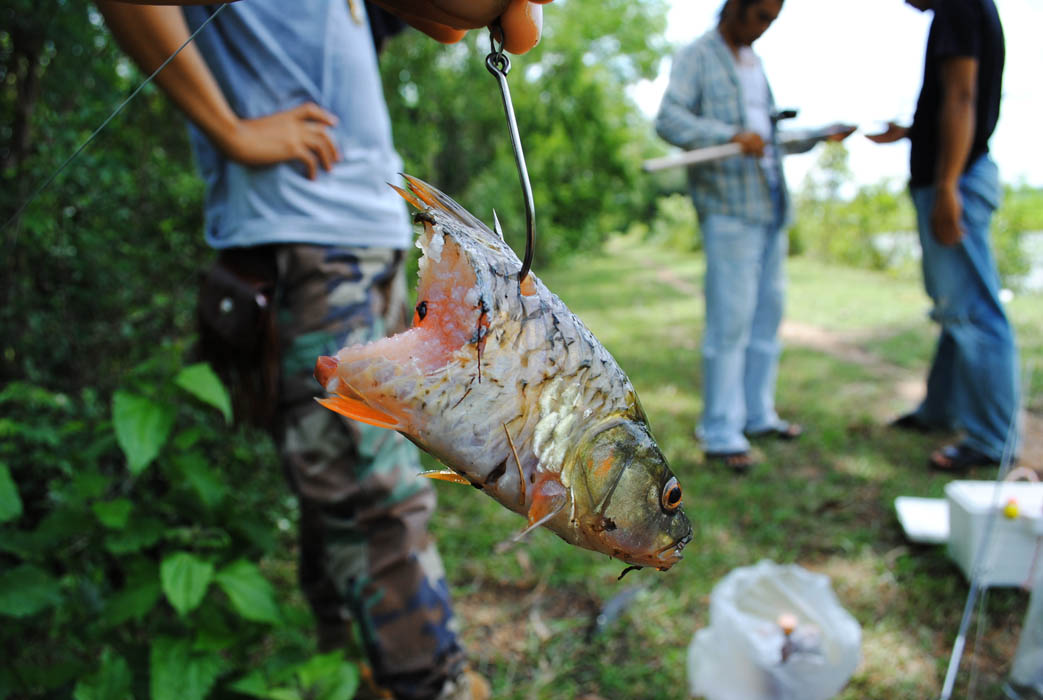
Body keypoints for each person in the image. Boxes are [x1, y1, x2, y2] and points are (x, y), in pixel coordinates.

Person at [97, 1, 550, 697]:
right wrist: (231, 131)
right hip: (302, 239)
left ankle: (359, 667)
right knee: (370, 483)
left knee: (347, 470)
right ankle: (428, 684)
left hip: (370, 239)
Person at [654, 0, 852, 473]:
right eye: (761, 16)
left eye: (773, 20)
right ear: (736, 6)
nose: (765, 29)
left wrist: (820, 135)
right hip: (728, 211)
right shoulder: (698, 55)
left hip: (770, 207)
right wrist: (729, 133)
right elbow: (668, 121)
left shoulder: (755, 64)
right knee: (731, 323)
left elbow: (766, 136)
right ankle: (721, 431)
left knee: (767, 318)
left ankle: (757, 415)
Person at [868, 0, 1020, 472]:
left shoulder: (958, 5)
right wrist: (913, 132)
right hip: (954, 175)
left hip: (958, 179)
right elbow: (951, 102)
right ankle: (939, 411)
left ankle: (992, 440)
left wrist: (948, 186)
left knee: (974, 313)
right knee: (957, 310)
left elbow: (961, 97)